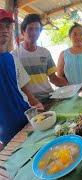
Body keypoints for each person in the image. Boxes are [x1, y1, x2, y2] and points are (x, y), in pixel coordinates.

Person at [12, 14, 67, 103]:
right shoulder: (14, 56)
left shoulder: (45, 52)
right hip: (29, 103)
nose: (34, 32)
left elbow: (53, 79)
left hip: (49, 97)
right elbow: (16, 85)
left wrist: (71, 85)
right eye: (30, 29)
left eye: (37, 29)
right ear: (23, 32)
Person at [0, 9, 30, 145]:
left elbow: (21, 88)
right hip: (6, 132)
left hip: (26, 120)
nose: (4, 30)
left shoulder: (12, 58)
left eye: (7, 26)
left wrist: (34, 104)